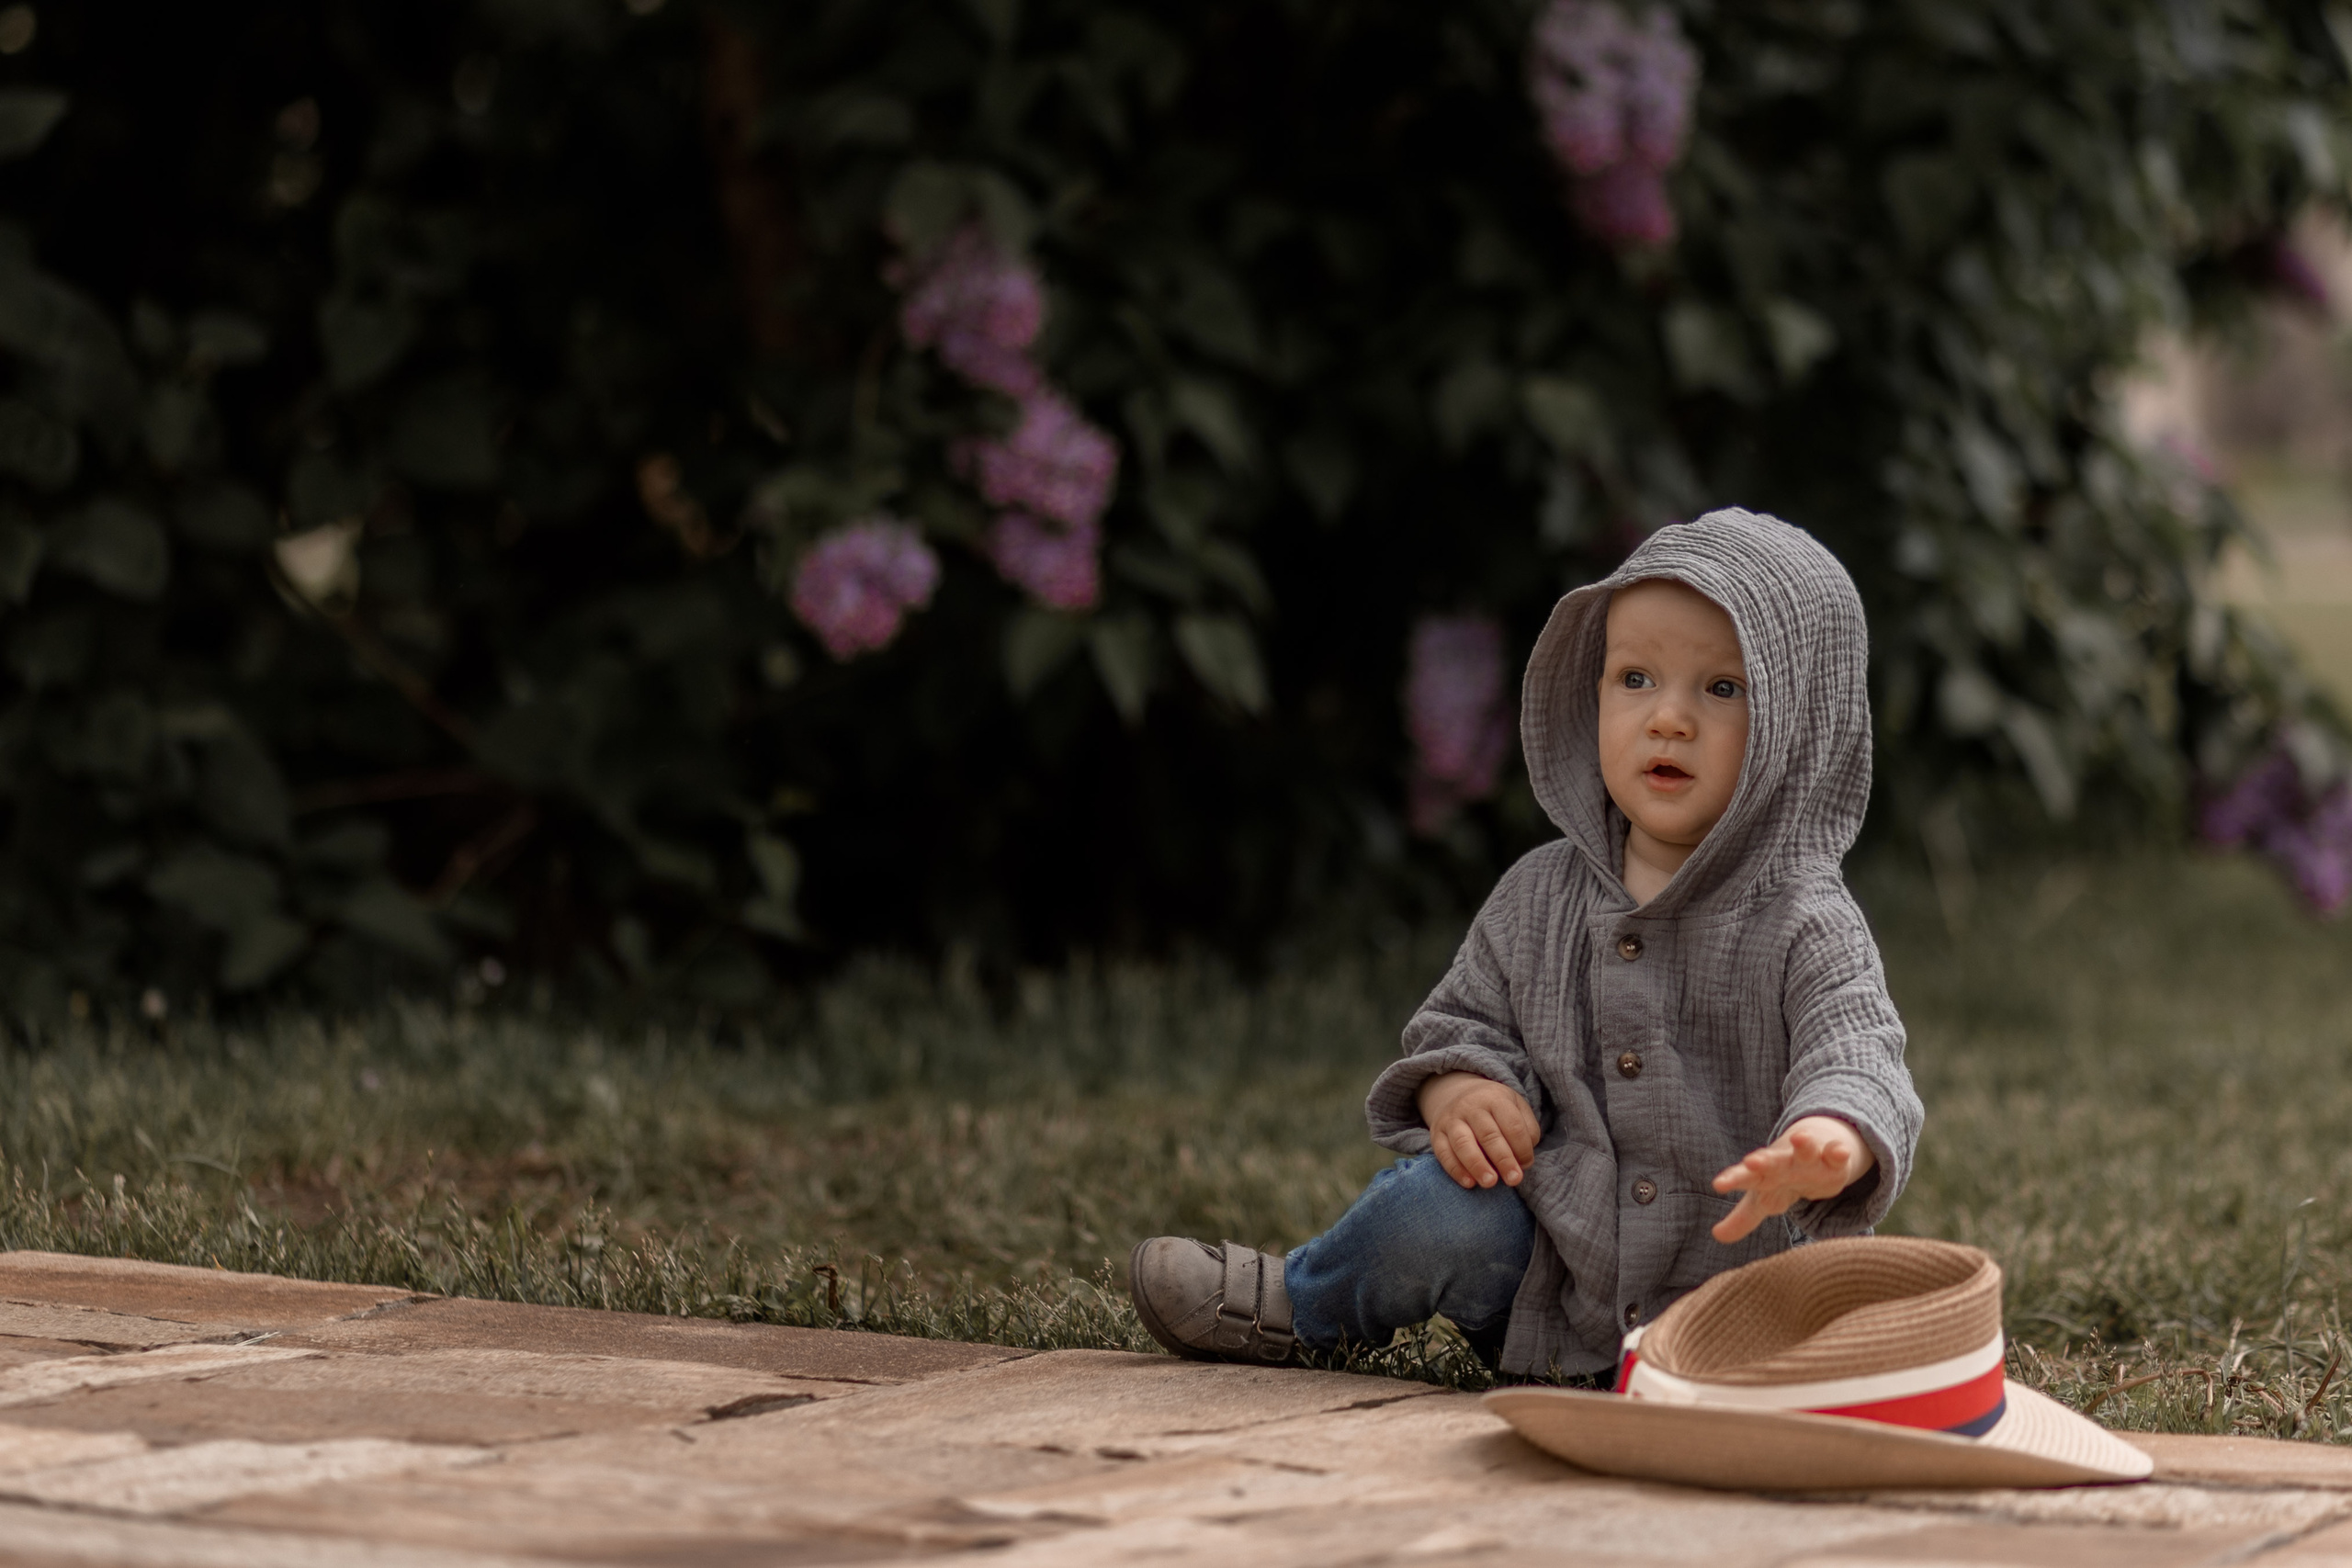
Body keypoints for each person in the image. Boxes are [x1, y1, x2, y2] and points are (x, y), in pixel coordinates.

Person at [1127, 508, 1922, 1380]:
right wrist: (1461, 1090)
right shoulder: (1539, 894)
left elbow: (1858, 1047)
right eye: (1635, 678)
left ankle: (1717, 1374)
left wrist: (1830, 1135)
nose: (1667, 718)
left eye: (1721, 689)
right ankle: (1304, 1304)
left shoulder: (1807, 917)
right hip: (1547, 1289)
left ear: (1799, 728)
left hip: (1737, 1314)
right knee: (1436, 1210)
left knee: (1848, 1309)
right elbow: (1462, 1025)